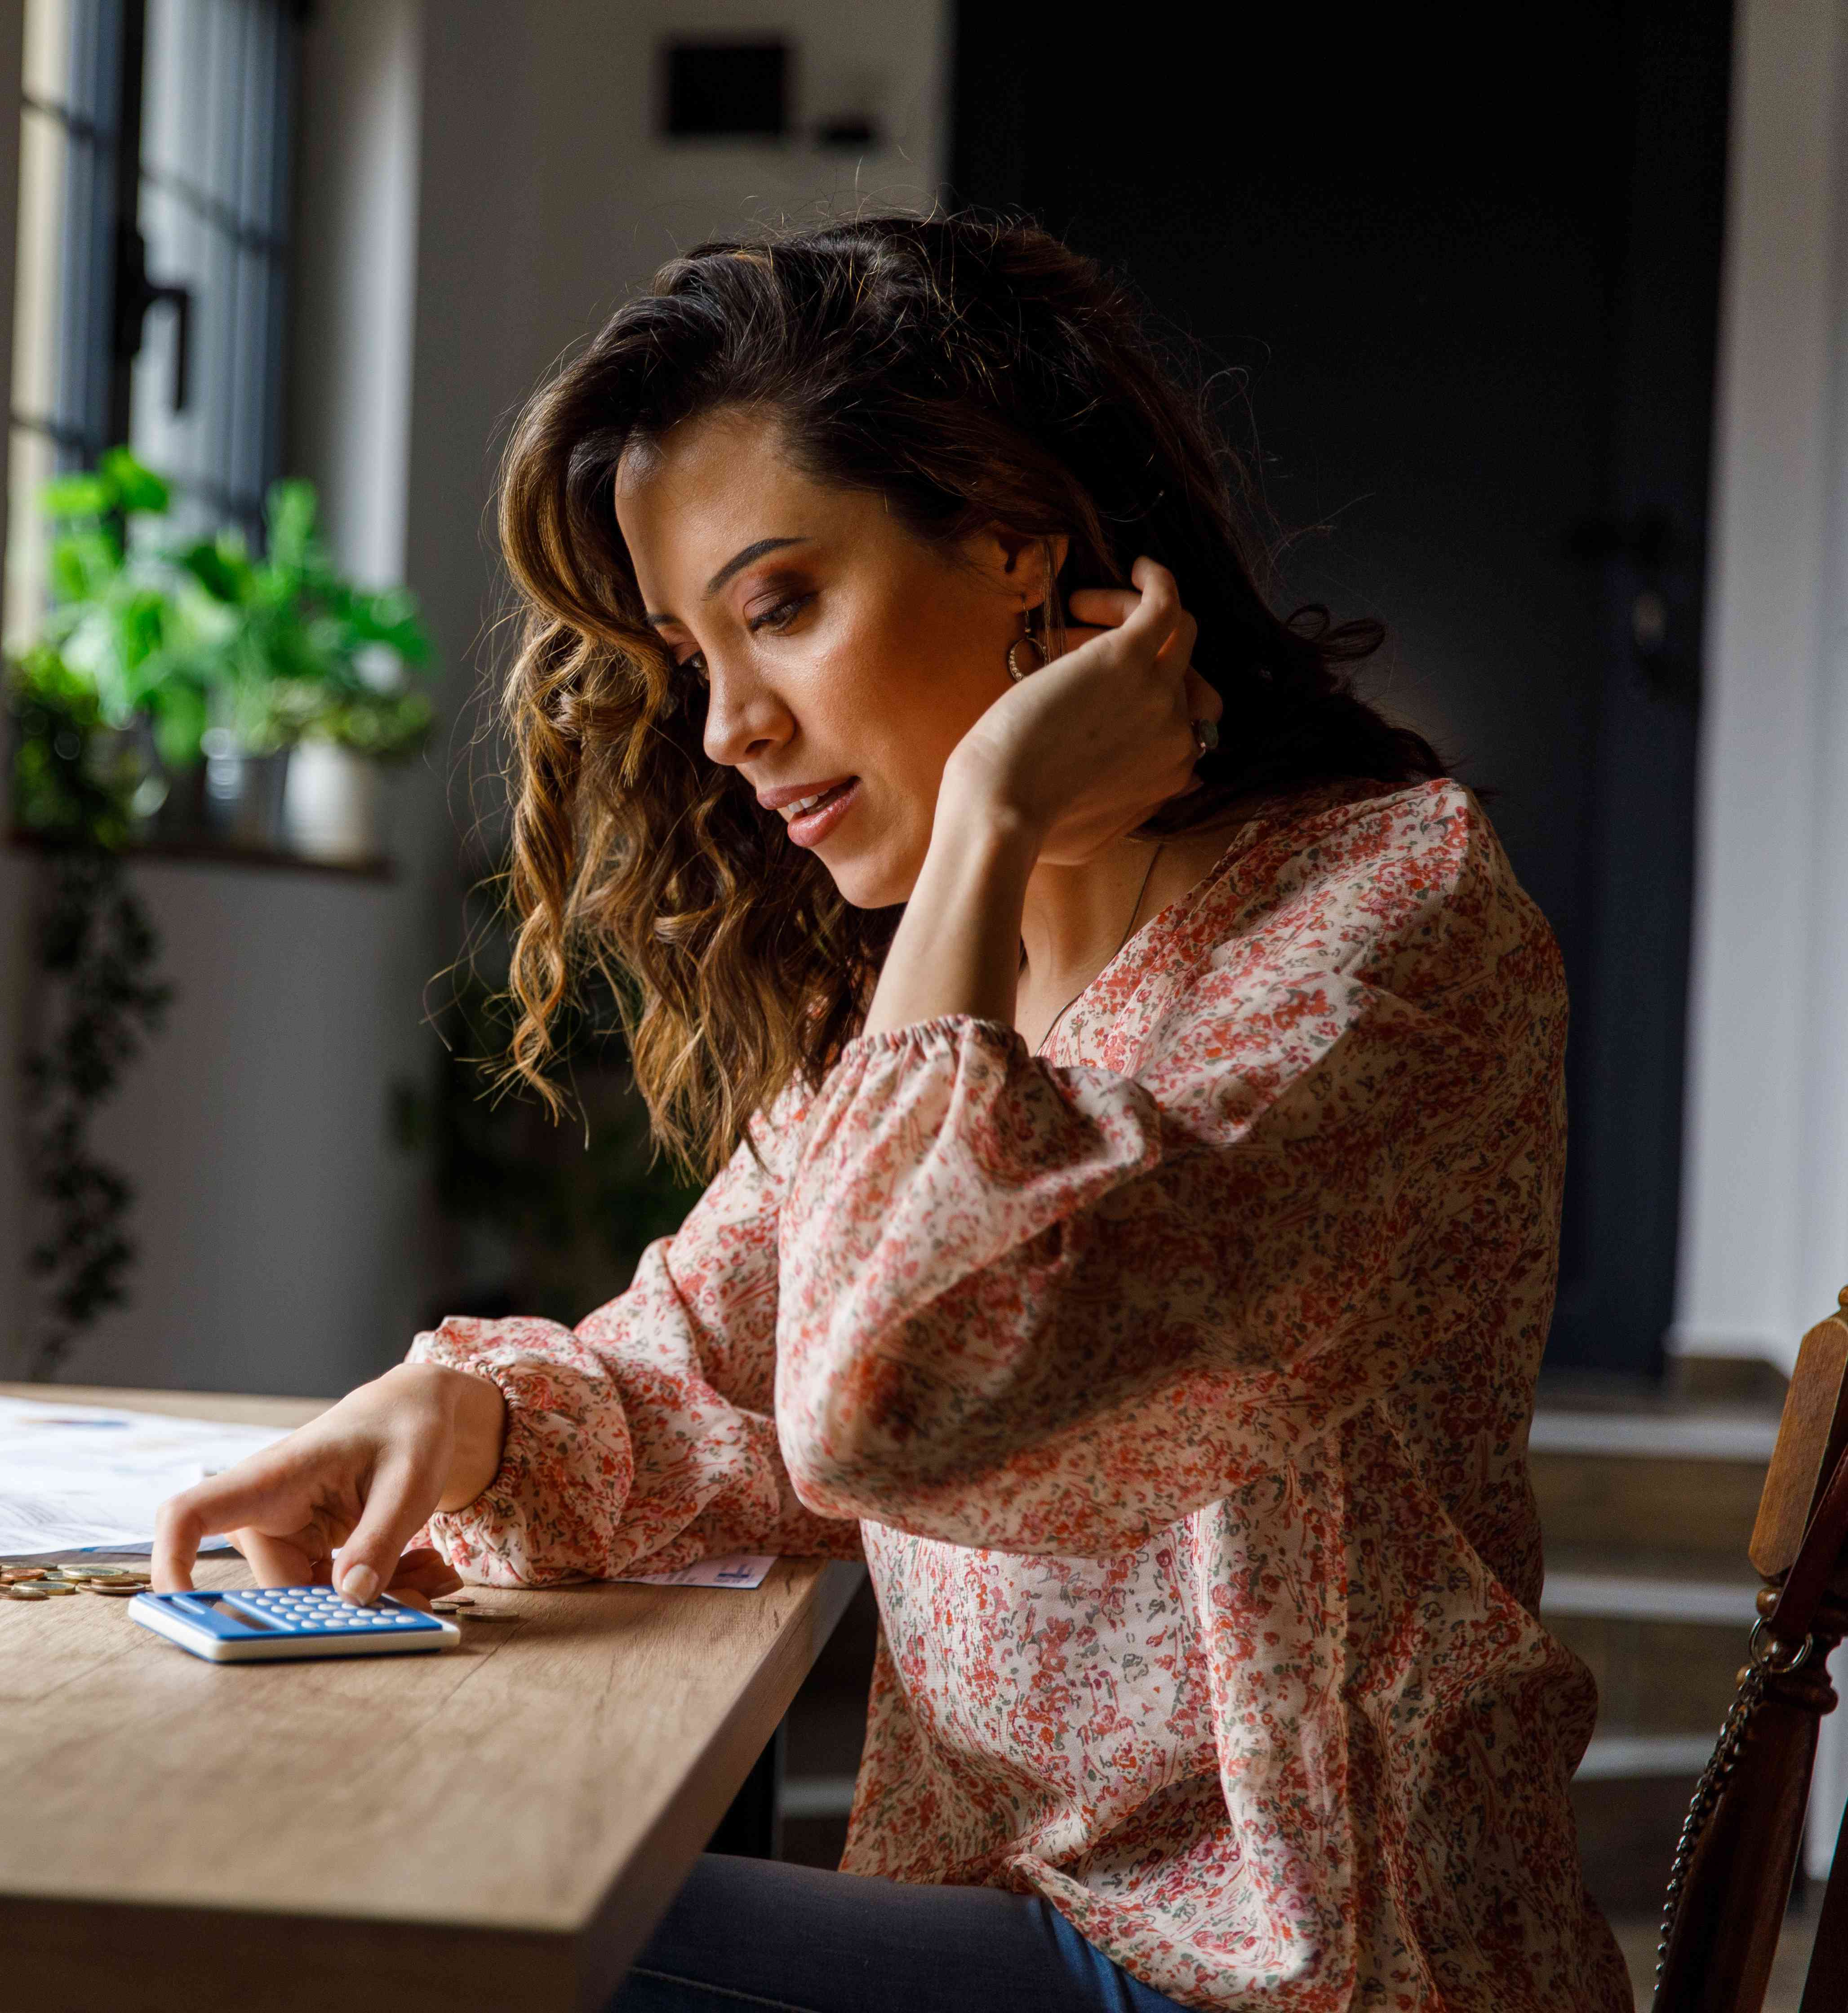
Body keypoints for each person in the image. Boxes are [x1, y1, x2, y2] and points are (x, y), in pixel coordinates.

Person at [152, 215, 1626, 2013]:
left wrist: (998, 805)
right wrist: (459, 1415)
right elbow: (720, 1363)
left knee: (370, 1950)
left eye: (781, 604)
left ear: (1028, 556)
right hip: (1028, 1925)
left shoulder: (1381, 935)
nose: (725, 729)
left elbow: (886, 1391)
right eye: (695, 651)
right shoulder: (939, 988)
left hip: (1298, 1972)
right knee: (329, 1887)